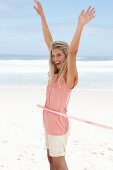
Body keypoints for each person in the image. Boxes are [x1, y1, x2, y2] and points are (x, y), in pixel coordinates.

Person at [33, 1, 96, 170]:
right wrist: (42, 17)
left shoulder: (68, 77)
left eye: (59, 55)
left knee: (59, 164)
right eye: (54, 55)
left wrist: (80, 26)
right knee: (51, 161)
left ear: (65, 55)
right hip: (48, 121)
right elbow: (49, 41)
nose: (55, 58)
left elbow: (73, 52)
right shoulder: (54, 74)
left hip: (57, 124)